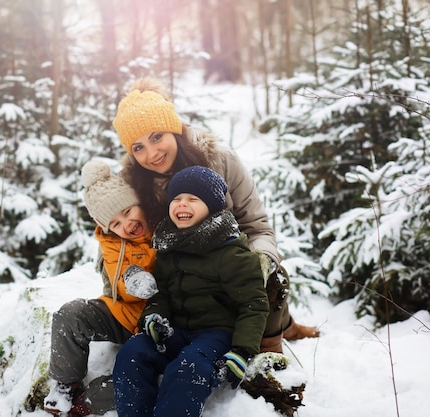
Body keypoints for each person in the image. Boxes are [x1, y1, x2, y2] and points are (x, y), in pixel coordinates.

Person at [112, 77, 319, 353]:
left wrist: (258, 263)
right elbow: (118, 236)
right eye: (138, 148)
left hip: (227, 265)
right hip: (178, 280)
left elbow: (256, 225)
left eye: (156, 137)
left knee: (270, 274)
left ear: (173, 129)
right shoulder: (135, 184)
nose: (152, 154)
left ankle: (274, 339)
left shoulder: (219, 159)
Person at [113, 166, 270, 417]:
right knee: (133, 353)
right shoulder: (168, 244)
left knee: (189, 367)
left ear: (211, 206)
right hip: (176, 330)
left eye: (192, 199)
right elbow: (161, 293)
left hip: (216, 333)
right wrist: (153, 318)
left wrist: (242, 350)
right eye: (176, 199)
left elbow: (253, 305)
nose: (181, 204)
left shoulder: (231, 252)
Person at [43, 159, 158, 417]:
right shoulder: (112, 242)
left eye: (128, 212)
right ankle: (66, 384)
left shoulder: (164, 228)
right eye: (115, 223)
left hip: (157, 325)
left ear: (139, 202)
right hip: (123, 313)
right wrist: (133, 278)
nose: (126, 225)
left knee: (132, 380)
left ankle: (93, 399)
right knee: (70, 315)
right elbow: (120, 286)